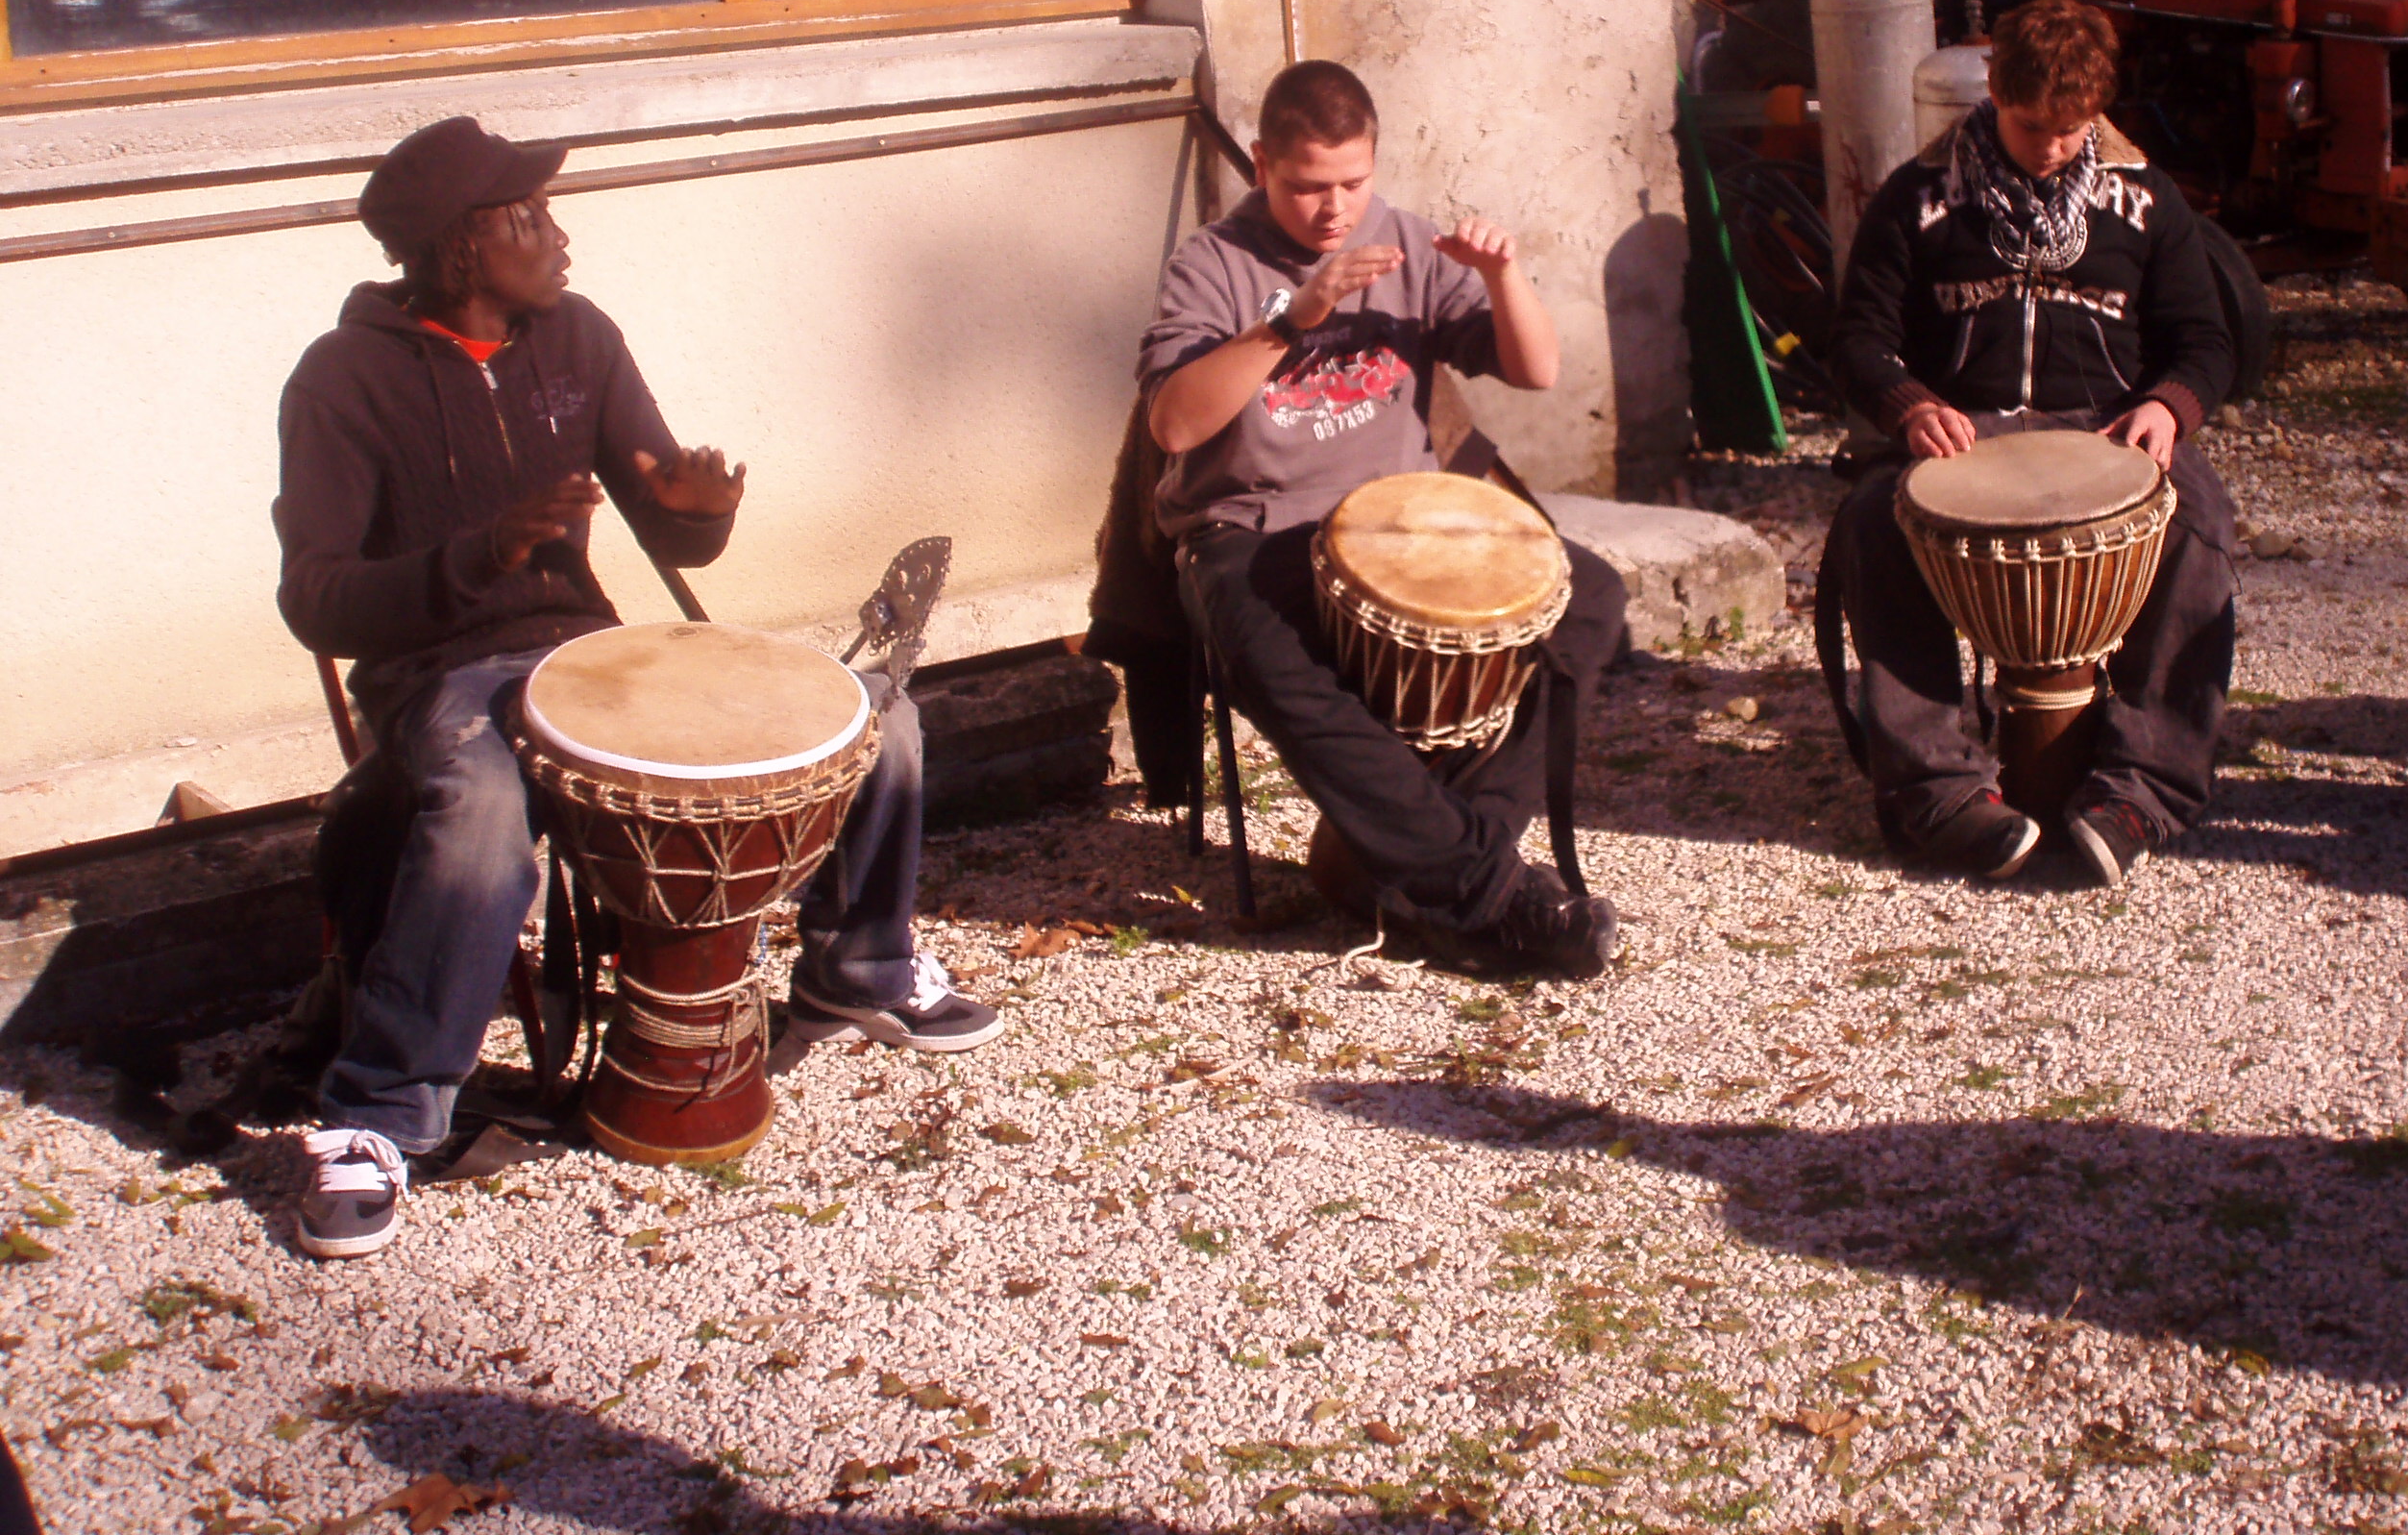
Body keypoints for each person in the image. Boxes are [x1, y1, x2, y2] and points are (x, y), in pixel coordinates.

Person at [275, 117, 996, 1261]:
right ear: (466, 247)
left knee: (881, 719)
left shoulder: (578, 339)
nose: (561, 237)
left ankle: (861, 964)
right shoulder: (343, 379)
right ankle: (380, 1116)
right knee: (478, 819)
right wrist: (479, 557)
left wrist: (699, 512)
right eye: (532, 217)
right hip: (440, 674)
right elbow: (314, 598)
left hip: (594, 657)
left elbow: (668, 517)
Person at [1141, 61, 1626, 977]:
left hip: (1405, 522)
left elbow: (1536, 372)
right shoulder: (1211, 266)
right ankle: (1488, 895)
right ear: (1260, 166)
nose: (1334, 210)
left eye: (1353, 183)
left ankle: (1419, 859)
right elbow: (1173, 422)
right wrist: (1293, 319)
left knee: (1589, 597)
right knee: (1282, 668)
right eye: (1308, 188)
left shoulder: (1402, 239)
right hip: (1255, 532)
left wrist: (1504, 274)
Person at [1823, 0, 2240, 886]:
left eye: (2071, 127)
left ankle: (2144, 788)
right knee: (1870, 521)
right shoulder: (1919, 196)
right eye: (2029, 125)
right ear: (1992, 98)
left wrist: (2168, 406)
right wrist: (1905, 404)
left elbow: (2207, 340)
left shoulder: (2147, 199)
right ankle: (1936, 790)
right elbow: (1859, 336)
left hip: (2109, 434)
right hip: (1966, 438)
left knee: (2198, 519)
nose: (2052, 146)